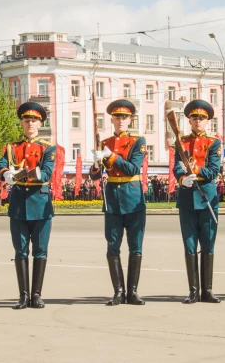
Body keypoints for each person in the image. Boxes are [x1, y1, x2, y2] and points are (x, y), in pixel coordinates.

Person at [0, 102, 56, 310]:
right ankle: (23, 295)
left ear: (40, 123)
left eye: (34, 120)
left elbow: (46, 172)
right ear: (21, 122)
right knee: (20, 251)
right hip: (19, 205)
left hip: (40, 203)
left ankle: (36, 294)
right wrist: (5, 173)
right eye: (27, 120)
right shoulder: (12, 147)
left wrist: (24, 173)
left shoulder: (48, 147)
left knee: (40, 251)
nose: (30, 123)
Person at [90, 99, 147, 306]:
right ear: (112, 119)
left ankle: (132, 291)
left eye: (124, 117)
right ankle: (118, 291)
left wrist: (111, 156)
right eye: (117, 117)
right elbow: (95, 176)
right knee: (113, 246)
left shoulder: (138, 141)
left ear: (130, 119)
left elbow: (133, 169)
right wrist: (96, 163)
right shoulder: (104, 143)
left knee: (136, 247)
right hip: (113, 199)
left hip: (133, 199)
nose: (121, 120)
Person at [172, 99, 221, 304]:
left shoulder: (214, 142)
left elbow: (213, 171)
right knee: (190, 245)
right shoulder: (180, 141)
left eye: (201, 118)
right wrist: (183, 179)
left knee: (208, 245)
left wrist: (196, 170)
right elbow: (176, 167)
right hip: (187, 199)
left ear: (207, 121)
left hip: (207, 197)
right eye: (194, 118)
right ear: (189, 120)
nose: (198, 121)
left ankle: (207, 290)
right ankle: (193, 290)